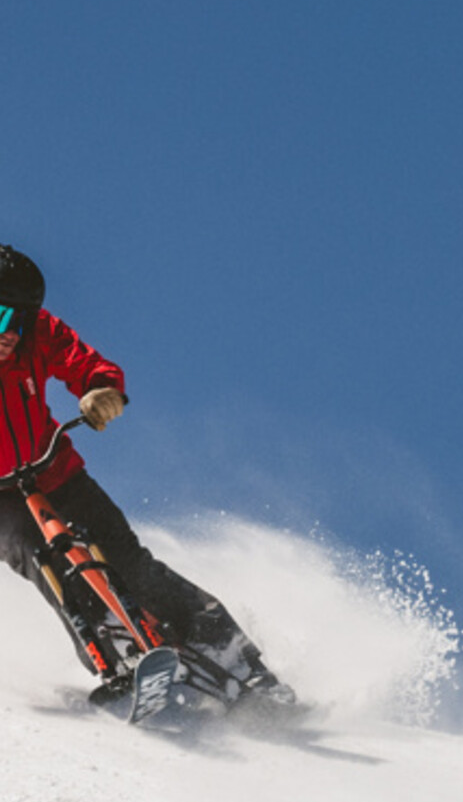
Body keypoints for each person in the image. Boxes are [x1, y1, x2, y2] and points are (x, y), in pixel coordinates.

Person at [0, 244, 292, 711]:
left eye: (20, 319)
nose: (10, 333)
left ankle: (244, 664)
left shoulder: (39, 334)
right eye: (0, 317)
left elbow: (89, 365)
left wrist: (101, 392)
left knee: (128, 563)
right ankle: (115, 664)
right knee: (45, 563)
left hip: (53, 470)